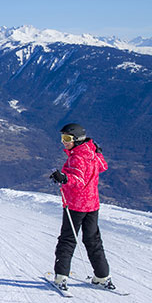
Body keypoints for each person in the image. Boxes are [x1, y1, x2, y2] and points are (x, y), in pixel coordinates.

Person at [48, 123, 116, 291]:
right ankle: (102, 276)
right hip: (92, 205)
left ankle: (61, 277)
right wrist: (99, 153)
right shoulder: (91, 152)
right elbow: (103, 165)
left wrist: (63, 178)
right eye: (62, 138)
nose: (63, 142)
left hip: (76, 206)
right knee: (93, 240)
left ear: (77, 140)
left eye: (67, 139)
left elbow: (78, 181)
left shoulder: (76, 157)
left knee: (68, 239)